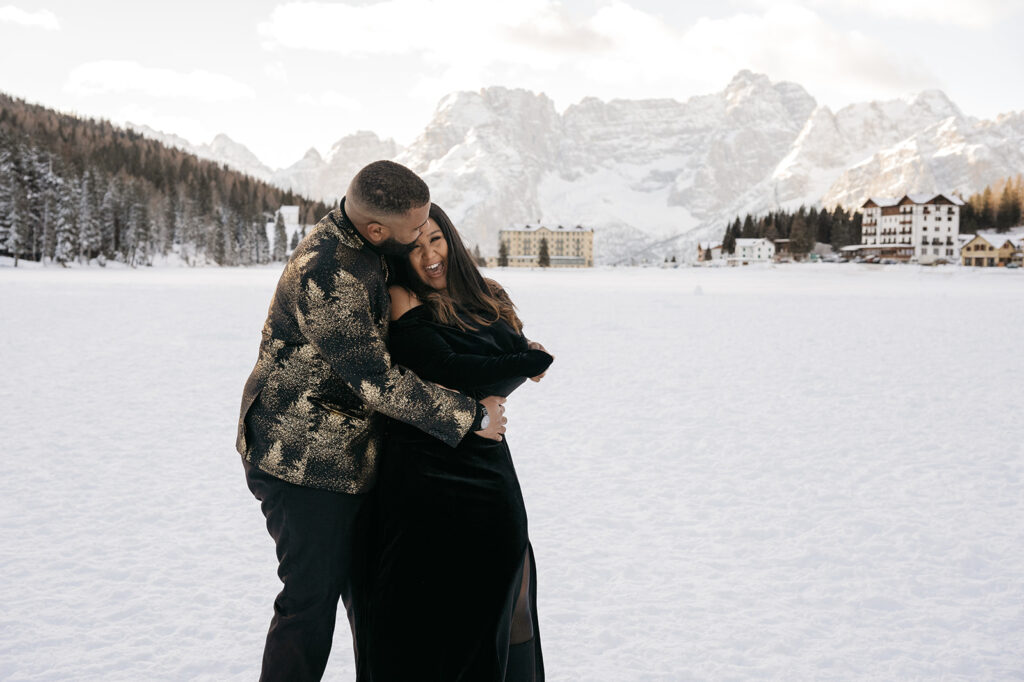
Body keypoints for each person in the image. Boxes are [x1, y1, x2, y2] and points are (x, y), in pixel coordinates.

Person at [235, 161, 508, 681]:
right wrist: (469, 416)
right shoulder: (329, 271)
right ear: (378, 229)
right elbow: (375, 381)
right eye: (413, 234)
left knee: (373, 596)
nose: (419, 244)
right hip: (302, 460)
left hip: (357, 452)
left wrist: (504, 347)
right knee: (310, 602)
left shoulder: (371, 246)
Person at [366, 203, 554, 681]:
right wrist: (522, 363)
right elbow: (445, 370)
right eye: (414, 246)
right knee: (451, 624)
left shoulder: (489, 295)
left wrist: (522, 359)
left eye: (436, 239)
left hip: (491, 473)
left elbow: (515, 359)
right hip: (428, 476)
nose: (429, 255)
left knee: (513, 604)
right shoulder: (402, 298)